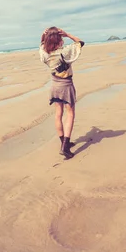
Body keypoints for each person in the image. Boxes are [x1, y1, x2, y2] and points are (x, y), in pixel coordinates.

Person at [39, 27, 85, 159]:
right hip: (66, 85)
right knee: (70, 114)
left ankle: (64, 143)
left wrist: (44, 37)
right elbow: (80, 42)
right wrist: (68, 34)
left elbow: (42, 46)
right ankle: (65, 147)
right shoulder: (65, 52)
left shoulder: (45, 54)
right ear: (59, 39)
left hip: (54, 85)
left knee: (58, 114)